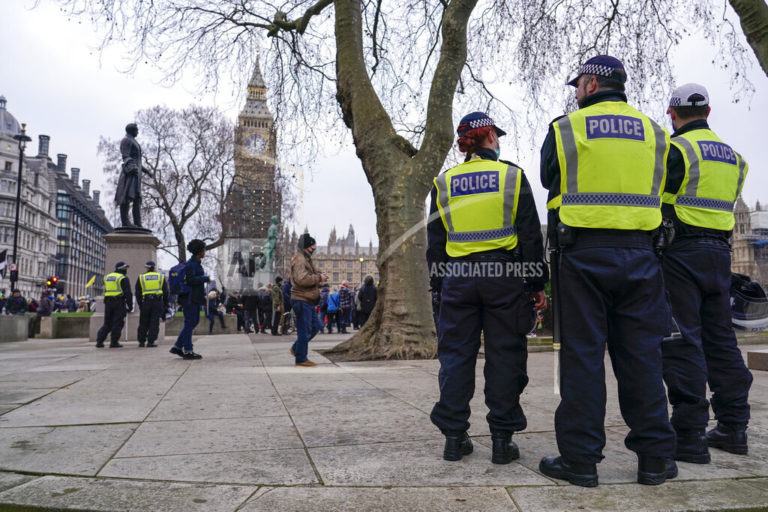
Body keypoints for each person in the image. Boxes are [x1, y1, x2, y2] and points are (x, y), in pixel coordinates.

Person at [539, 55, 676, 487]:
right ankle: (655, 459)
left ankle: (580, 461)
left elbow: (549, 176)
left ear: (592, 85)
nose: (575, 93)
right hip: (641, 255)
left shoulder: (565, 128)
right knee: (642, 359)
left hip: (582, 256)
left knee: (582, 359)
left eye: (577, 84)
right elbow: (667, 185)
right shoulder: (655, 132)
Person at [426, 111, 548, 465]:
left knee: (456, 358)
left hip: (458, 278)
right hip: (504, 276)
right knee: (505, 356)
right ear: (490, 137)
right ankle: (501, 439)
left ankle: (454, 437)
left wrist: (439, 284)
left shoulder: (444, 183)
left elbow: (436, 241)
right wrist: (535, 283)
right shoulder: (512, 176)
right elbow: (528, 236)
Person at [660, 83, 753, 462]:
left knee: (683, 342)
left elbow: (658, 201)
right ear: (709, 112)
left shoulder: (675, 150)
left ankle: (690, 436)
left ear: (672, 114)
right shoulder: (735, 158)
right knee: (721, 341)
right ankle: (734, 427)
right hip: (720, 256)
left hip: (680, 253)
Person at [289, 233, 326, 367]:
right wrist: (318, 278)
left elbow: (313, 274)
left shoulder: (307, 258)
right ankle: (301, 358)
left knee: (316, 327)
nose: (315, 247)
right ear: (307, 247)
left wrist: (320, 277)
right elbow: (302, 279)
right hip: (301, 299)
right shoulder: (299, 260)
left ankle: (296, 348)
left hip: (308, 299)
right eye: (313, 245)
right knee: (304, 330)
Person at [169, 239, 209, 360]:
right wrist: (204, 278)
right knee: (190, 322)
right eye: (204, 249)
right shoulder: (193, 264)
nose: (205, 252)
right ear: (200, 251)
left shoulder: (194, 262)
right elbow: (191, 280)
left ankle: (177, 346)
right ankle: (188, 350)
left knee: (192, 322)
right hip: (190, 297)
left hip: (191, 297)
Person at [96, 261, 133, 348]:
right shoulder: (122, 278)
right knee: (118, 323)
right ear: (121, 269)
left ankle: (99, 341)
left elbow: (106, 290)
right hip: (119, 302)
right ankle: (114, 342)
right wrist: (130, 305)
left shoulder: (107, 277)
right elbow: (128, 293)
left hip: (108, 302)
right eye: (125, 268)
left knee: (107, 323)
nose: (126, 269)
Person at [135, 261, 169, 347]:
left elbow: (138, 292)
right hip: (157, 302)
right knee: (154, 322)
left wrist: (140, 304)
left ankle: (141, 341)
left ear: (147, 268)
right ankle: (151, 341)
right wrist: (165, 304)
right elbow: (165, 292)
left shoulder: (141, 277)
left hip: (146, 302)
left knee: (143, 322)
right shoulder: (160, 277)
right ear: (154, 267)